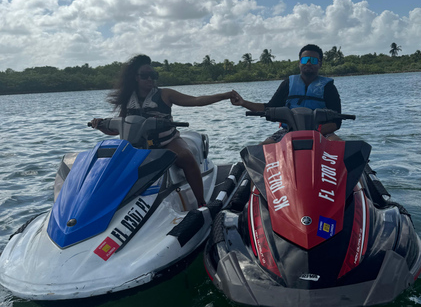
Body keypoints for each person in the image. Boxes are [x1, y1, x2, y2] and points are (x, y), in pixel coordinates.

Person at [90, 54, 236, 208]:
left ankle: (201, 202)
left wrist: (225, 96)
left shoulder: (165, 94)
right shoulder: (128, 100)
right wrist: (100, 125)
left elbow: (196, 101)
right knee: (111, 166)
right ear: (135, 78)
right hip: (138, 147)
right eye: (145, 76)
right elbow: (117, 130)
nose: (150, 79)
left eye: (153, 75)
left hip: (167, 142)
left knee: (186, 157)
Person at [230, 44, 342, 143]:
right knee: (262, 149)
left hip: (321, 132)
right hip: (288, 131)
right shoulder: (288, 84)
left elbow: (337, 122)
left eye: (313, 60)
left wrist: (313, 132)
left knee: (341, 147)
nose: (308, 63)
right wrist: (243, 102)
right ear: (299, 63)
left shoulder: (329, 87)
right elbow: (269, 108)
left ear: (320, 64)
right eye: (305, 60)